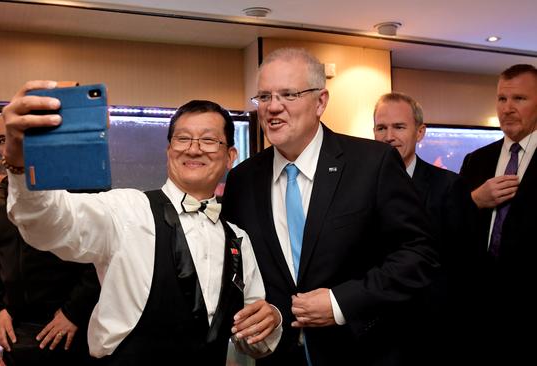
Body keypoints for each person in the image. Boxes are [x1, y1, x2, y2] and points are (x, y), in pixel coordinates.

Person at [0, 89, 282, 365]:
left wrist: (272, 320)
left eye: (208, 140)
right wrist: (20, 164)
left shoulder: (239, 240)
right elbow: (50, 224)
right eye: (182, 139)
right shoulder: (127, 211)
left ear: (231, 156)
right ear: (169, 150)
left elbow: (253, 338)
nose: (194, 148)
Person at [222, 47, 438, 365]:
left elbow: (419, 254)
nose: (273, 108)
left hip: (362, 351)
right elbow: (237, 269)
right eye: (264, 97)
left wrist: (340, 301)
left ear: (320, 101)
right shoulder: (242, 179)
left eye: (288, 95)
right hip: (280, 356)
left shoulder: (372, 164)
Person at [0, 114, 100, 365]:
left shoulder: (83, 189)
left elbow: (100, 255)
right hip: (19, 333)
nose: (10, 146)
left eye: (19, 137)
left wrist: (73, 312)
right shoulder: (0, 197)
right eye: (3, 140)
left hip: (73, 330)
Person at [373, 92, 474, 364]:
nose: (388, 136)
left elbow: (460, 264)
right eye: (381, 127)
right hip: (374, 328)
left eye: (399, 127)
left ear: (420, 132)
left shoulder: (449, 186)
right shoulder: (359, 186)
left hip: (431, 328)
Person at [459, 64, 537, 363]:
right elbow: (453, 224)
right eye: (502, 99)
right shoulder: (476, 160)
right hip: (478, 307)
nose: (508, 108)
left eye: (519, 99)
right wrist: (474, 200)